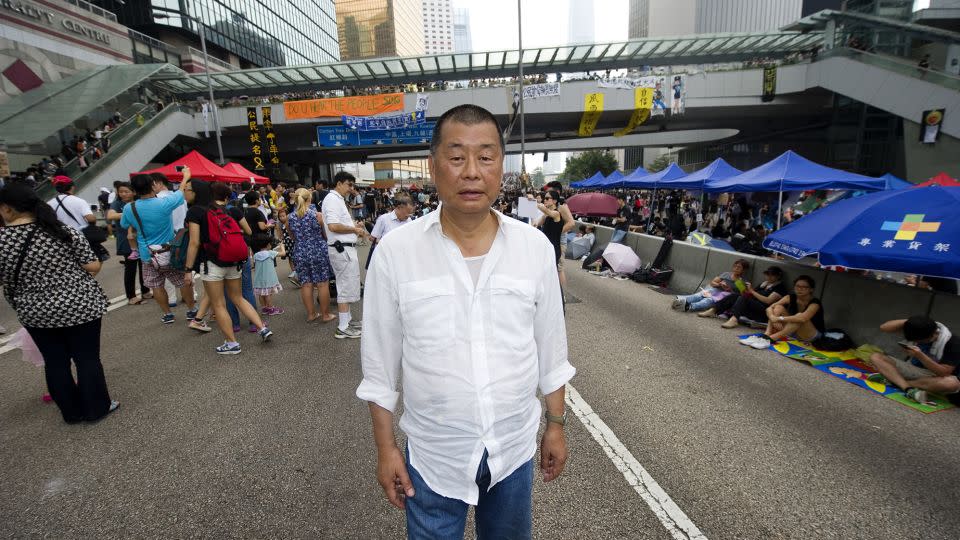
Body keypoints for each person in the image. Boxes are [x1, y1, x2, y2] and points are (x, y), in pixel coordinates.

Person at [357, 104, 574, 539]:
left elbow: (551, 348)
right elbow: (379, 365)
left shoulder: (533, 249)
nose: (472, 171)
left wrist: (555, 425)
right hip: (433, 455)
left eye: (486, 157)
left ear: (501, 168)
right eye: (456, 158)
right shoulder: (397, 253)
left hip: (512, 450)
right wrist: (386, 449)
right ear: (434, 167)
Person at [0, 183, 117, 423]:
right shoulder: (63, 231)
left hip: (34, 311)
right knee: (87, 358)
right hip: (79, 304)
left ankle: (71, 413)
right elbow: (92, 265)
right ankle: (97, 408)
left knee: (55, 362)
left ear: (7, 209)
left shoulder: (2, 241)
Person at [183, 179, 273, 354]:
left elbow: (194, 242)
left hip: (212, 262)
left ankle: (232, 344)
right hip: (234, 260)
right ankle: (262, 327)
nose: (184, 192)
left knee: (218, 304)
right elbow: (247, 231)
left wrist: (188, 270)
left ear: (196, 192)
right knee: (238, 297)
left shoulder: (195, 211)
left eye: (186, 189)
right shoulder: (225, 209)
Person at [120, 172, 197, 324]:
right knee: (183, 281)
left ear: (134, 191)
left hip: (147, 254)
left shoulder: (130, 208)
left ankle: (168, 314)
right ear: (153, 186)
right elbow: (180, 192)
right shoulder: (164, 202)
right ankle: (191, 311)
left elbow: (124, 225)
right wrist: (185, 176)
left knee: (156, 285)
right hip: (169, 252)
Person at [867, 316, 960, 405]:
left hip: (932, 376)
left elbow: (944, 373)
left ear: (933, 335)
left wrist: (920, 356)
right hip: (912, 368)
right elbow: (884, 327)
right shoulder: (920, 328)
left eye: (921, 341)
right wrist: (913, 322)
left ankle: (895, 382)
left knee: (951, 383)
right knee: (876, 357)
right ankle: (908, 388)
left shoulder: (952, 342)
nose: (918, 343)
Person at [321, 172, 366, 339]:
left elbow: (336, 224)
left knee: (346, 286)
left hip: (344, 249)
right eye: (349, 185)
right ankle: (342, 327)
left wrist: (353, 225)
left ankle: (347, 321)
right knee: (344, 287)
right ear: (339, 183)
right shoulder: (332, 200)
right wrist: (354, 229)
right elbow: (333, 226)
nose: (350, 189)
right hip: (342, 250)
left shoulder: (336, 199)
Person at [287, 188, 336, 323]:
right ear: (310, 199)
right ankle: (326, 315)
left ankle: (311, 314)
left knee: (306, 284)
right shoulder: (317, 215)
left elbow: (292, 236)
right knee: (322, 283)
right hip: (318, 250)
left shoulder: (290, 217)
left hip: (300, 251)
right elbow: (325, 235)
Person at [742, 275, 825, 349]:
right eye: (797, 286)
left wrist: (779, 319)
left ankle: (772, 338)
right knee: (778, 307)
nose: (800, 289)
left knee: (799, 317)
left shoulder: (815, 303)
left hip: (811, 334)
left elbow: (803, 318)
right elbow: (769, 308)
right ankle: (767, 334)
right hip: (792, 330)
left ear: (811, 289)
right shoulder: (790, 297)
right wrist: (773, 317)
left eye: (804, 287)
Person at [106, 182, 152, 305]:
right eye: (121, 192)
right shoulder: (117, 203)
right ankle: (131, 296)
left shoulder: (139, 201)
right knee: (130, 268)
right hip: (126, 239)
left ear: (134, 192)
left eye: (126, 191)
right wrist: (128, 213)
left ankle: (145, 290)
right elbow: (110, 215)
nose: (123, 194)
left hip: (141, 238)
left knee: (144, 266)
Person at [700, 265, 787, 328]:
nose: (769, 277)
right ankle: (713, 310)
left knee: (744, 298)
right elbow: (751, 294)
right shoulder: (763, 284)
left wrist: (752, 291)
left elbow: (768, 301)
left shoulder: (780, 288)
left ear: (778, 276)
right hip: (752, 306)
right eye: (767, 274)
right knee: (735, 295)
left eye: (772, 275)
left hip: (763, 312)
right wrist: (744, 289)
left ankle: (734, 319)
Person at [47, 175, 109, 262]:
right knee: (96, 261)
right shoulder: (78, 201)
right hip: (82, 237)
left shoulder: (49, 204)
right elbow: (90, 218)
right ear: (72, 187)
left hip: (63, 239)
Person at [672, 259, 750, 312]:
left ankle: (689, 306)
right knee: (700, 295)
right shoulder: (726, 274)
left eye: (739, 267)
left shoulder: (742, 281)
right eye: (735, 266)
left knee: (708, 301)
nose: (736, 268)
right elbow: (712, 283)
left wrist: (730, 289)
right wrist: (720, 284)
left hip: (725, 296)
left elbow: (742, 295)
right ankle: (681, 300)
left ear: (744, 270)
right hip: (716, 290)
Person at [366, 191, 414, 269]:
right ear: (399, 207)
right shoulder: (384, 219)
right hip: (384, 258)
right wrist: (388, 244)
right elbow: (372, 238)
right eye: (408, 212)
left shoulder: (409, 221)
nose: (409, 215)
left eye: (411, 213)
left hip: (402, 259)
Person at [250, 234, 285, 315]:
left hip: (258, 279)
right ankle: (271, 308)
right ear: (268, 244)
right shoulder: (270, 253)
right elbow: (283, 253)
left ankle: (264, 308)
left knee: (261, 294)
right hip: (269, 279)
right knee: (268, 294)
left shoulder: (256, 255)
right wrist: (282, 246)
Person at [535, 189, 563, 265]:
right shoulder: (546, 214)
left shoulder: (557, 213)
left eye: (547, 198)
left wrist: (534, 203)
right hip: (547, 248)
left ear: (554, 201)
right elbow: (538, 223)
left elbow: (549, 212)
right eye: (544, 198)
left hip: (553, 249)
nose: (545, 200)